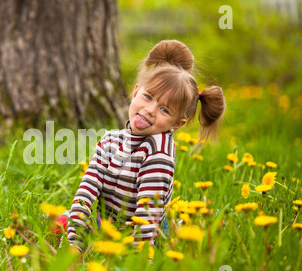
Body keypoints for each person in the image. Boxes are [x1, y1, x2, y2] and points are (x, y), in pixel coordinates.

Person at [64, 40, 226, 253]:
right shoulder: (110, 140)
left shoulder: (158, 153)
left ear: (176, 124)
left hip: (144, 234)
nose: (150, 110)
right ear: (135, 92)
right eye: (148, 97)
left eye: (164, 110)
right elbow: (87, 190)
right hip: (107, 225)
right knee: (62, 222)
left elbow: (146, 218)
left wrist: (138, 261)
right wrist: (72, 245)